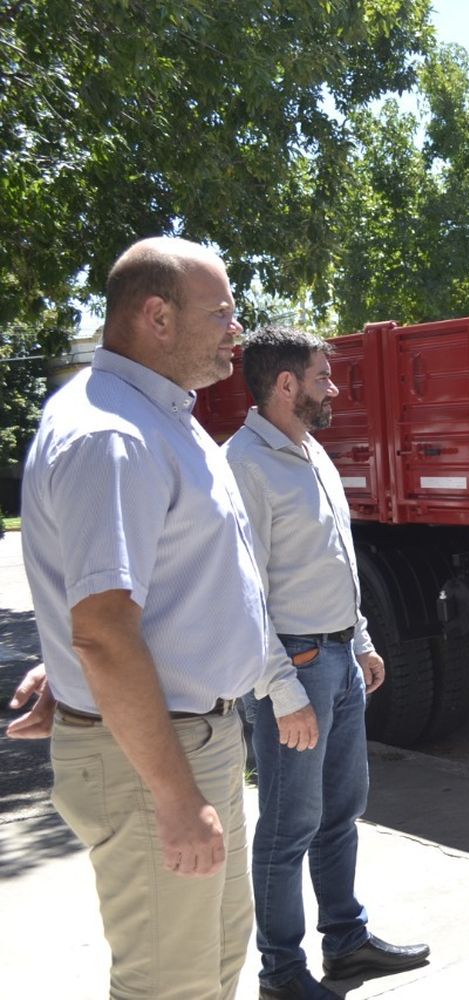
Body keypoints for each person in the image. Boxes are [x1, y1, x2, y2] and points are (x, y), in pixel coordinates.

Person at [16, 237, 273, 998]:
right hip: (156, 762)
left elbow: (118, 600)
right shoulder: (113, 435)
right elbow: (101, 628)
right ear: (156, 316)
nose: (238, 329)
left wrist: (74, 675)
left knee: (214, 967)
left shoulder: (156, 414)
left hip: (189, 740)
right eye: (222, 311)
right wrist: (175, 795)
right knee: (171, 986)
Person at [226, 326, 429, 1000]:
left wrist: (363, 638)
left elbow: (335, 559)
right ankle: (282, 973)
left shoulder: (310, 452)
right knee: (288, 829)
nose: (333, 387)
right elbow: (242, 591)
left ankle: (345, 944)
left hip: (337, 656)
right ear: (286, 385)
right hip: (294, 666)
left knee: (341, 812)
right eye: (322, 376)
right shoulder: (245, 465)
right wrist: (282, 691)